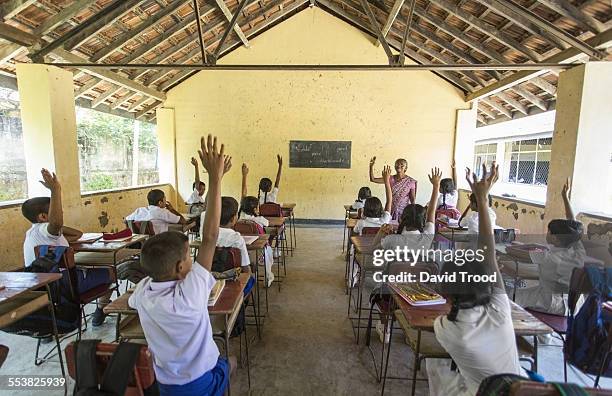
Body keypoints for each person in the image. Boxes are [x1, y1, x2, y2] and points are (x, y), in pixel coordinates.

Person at [128, 135, 236, 396]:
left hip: (164, 384)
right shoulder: (190, 293)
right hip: (199, 381)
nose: (193, 259)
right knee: (230, 364)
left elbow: (134, 297)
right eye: (190, 256)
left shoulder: (143, 292)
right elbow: (210, 237)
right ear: (179, 268)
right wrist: (216, 177)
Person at [427, 162, 526, 396]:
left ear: (444, 292)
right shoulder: (500, 309)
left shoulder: (448, 328)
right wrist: (483, 198)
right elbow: (489, 255)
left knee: (434, 364)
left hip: (481, 393)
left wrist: (480, 199)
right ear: (485, 283)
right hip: (521, 389)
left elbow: (486, 256)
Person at [21, 169, 112, 327]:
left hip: (44, 289)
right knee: (112, 271)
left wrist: (59, 228)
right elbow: (56, 224)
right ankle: (101, 310)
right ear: (43, 217)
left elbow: (77, 234)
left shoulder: (34, 233)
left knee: (89, 268)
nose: (60, 212)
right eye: (55, 210)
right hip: (64, 286)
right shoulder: (45, 229)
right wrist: (55, 190)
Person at [514, 178, 585, 315]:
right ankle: (543, 336)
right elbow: (573, 224)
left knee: (510, 296)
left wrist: (509, 248)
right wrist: (565, 197)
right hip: (575, 305)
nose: (547, 233)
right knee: (521, 292)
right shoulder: (577, 250)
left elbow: (517, 254)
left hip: (552, 303)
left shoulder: (548, 257)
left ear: (556, 238)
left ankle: (539, 334)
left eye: (549, 231)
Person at [373, 167, 440, 253]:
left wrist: (381, 231)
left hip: (394, 266)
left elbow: (374, 249)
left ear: (401, 219)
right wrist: (436, 186)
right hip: (419, 267)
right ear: (423, 221)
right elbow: (431, 211)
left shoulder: (391, 240)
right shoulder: (427, 237)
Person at [239, 163, 274, 286]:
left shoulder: (239, 216)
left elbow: (243, 195)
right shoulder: (258, 220)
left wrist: (244, 176)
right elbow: (268, 223)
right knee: (269, 250)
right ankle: (268, 276)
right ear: (255, 210)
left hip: (241, 251)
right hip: (258, 251)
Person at [369, 157, 417, 221]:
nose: (399, 166)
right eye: (397, 164)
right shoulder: (389, 178)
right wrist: (371, 166)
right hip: (390, 210)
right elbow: (373, 179)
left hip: (404, 212)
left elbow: (412, 200)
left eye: (402, 164)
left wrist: (412, 214)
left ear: (406, 168)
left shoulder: (411, 181)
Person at [354, 166, 392, 235]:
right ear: (381, 209)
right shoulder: (384, 221)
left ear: (365, 209)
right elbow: (389, 201)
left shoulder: (361, 223)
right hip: (380, 246)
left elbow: (355, 231)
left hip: (365, 246)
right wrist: (387, 181)